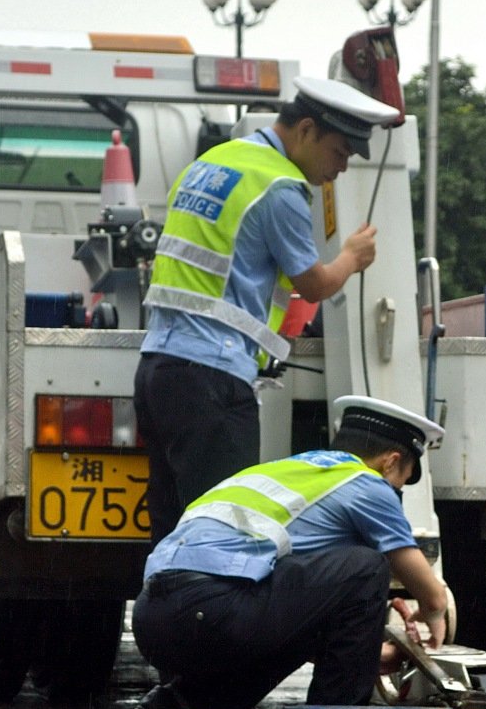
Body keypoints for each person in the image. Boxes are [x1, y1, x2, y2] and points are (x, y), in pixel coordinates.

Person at [134, 77, 401, 545]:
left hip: (158, 369)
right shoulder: (279, 187)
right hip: (212, 379)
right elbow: (313, 284)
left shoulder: (212, 162)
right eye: (339, 152)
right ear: (305, 131)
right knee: (223, 531)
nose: (339, 169)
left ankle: (166, 615)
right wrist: (352, 257)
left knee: (171, 528)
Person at [131, 396, 447, 709]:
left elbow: (298, 616)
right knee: (367, 567)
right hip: (211, 607)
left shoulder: (287, 473)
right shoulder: (365, 482)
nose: (396, 493)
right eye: (402, 482)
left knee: (329, 591)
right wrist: (434, 614)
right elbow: (428, 591)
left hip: (156, 618)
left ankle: (187, 702)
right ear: (391, 460)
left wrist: (367, 657)